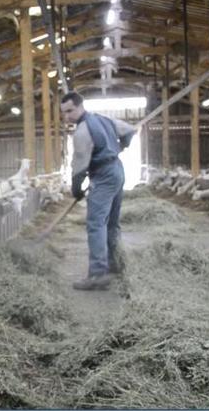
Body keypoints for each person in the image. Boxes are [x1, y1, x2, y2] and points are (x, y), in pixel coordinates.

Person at [60, 92, 136, 290]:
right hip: (117, 170)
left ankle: (97, 274)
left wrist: (76, 188)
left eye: (70, 111)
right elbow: (129, 130)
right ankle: (114, 263)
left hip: (103, 175)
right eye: (64, 113)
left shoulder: (82, 132)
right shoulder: (104, 119)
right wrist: (121, 147)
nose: (67, 116)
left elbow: (79, 166)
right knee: (111, 222)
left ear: (79, 106)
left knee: (96, 224)